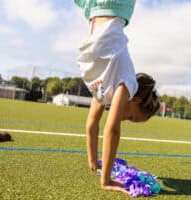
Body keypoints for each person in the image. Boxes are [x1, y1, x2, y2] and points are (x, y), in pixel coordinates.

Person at [74, 0, 160, 194]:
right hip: (102, 20)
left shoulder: (106, 88)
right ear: (136, 100)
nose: (125, 118)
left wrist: (93, 160)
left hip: (99, 12)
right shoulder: (128, 83)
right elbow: (111, 129)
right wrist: (106, 179)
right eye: (131, 117)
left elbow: (92, 123)